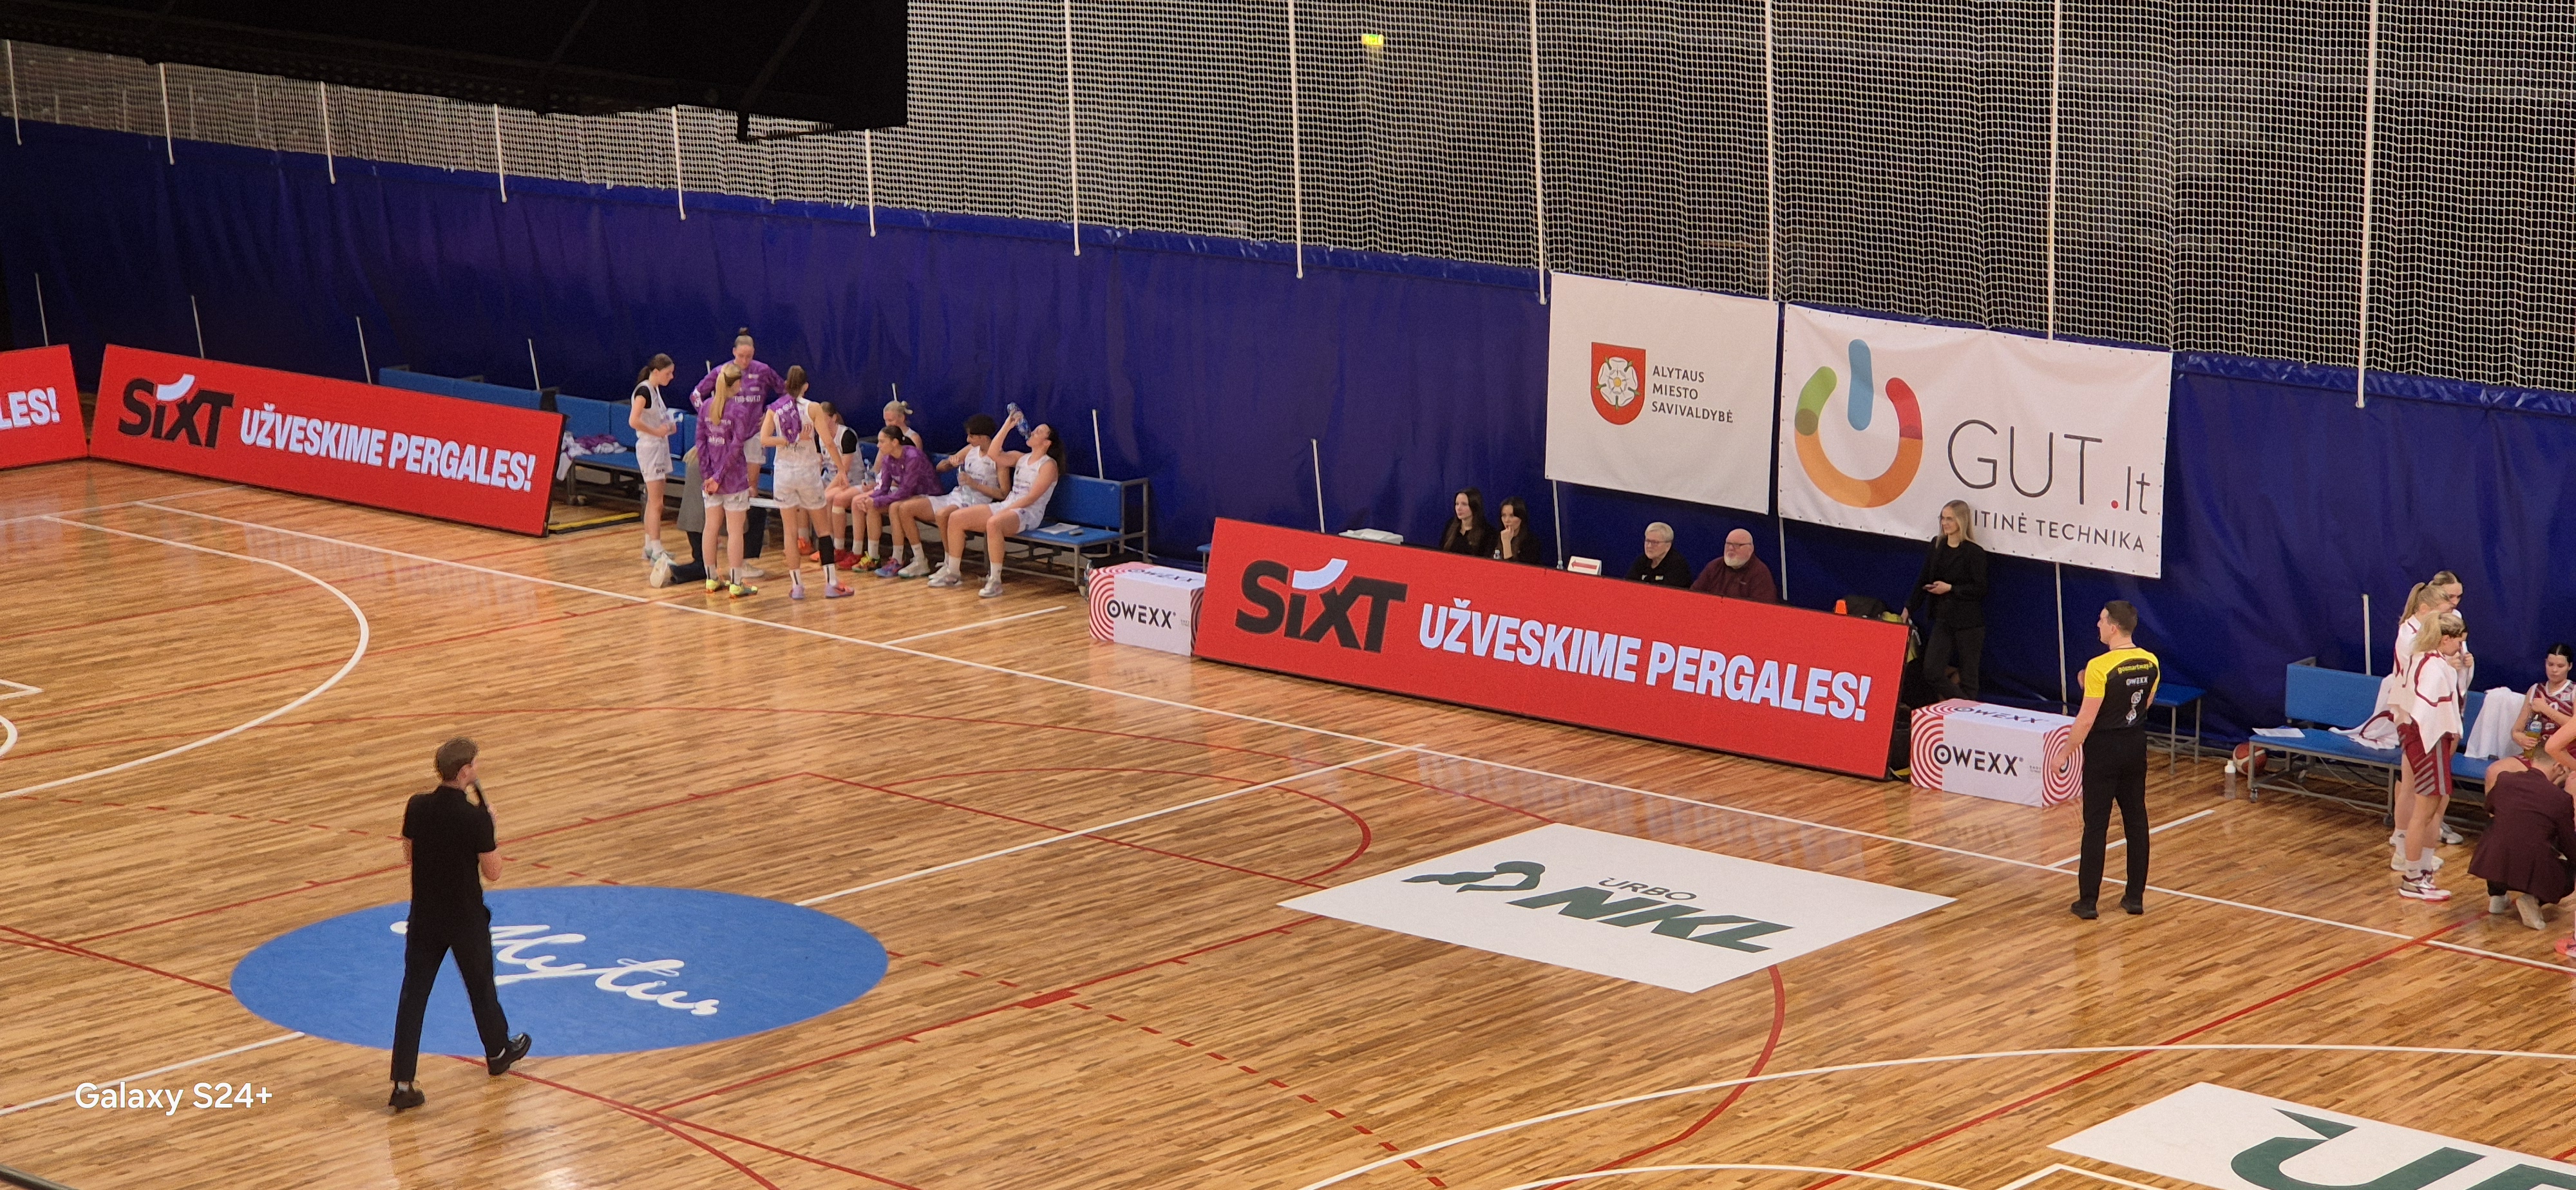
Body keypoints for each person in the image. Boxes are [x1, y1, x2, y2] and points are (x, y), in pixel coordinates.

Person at [388, 738, 532, 1111]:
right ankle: (497, 1052)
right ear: (465, 771)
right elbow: (494, 872)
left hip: (425, 917)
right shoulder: (475, 818)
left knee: (413, 997)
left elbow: (409, 853)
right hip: (465, 919)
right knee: (481, 987)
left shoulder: (417, 806)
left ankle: (402, 1083)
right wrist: (489, 829)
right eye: (475, 764)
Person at [2048, 600, 2161, 919]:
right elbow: (2145, 703)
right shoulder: (2150, 661)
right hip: (2135, 744)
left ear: (2113, 627)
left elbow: (2086, 720)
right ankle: (2134, 898)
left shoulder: (2099, 666)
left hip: (2103, 749)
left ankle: (2088, 902)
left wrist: (2063, 753)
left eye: (2101, 620)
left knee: (2096, 825)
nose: (2097, 625)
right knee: (2136, 820)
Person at [930, 409, 1061, 598]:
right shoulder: (1020, 457)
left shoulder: (1048, 465)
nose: (1033, 432)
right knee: (956, 518)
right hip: (1009, 506)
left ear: (1047, 443)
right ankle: (953, 572)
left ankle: (995, 580)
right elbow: (993, 453)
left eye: (1040, 432)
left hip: (1029, 512)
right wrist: (1008, 424)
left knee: (994, 523)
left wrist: (1006, 508)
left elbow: (1032, 498)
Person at [2391, 611, 2470, 901]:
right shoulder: (2435, 668)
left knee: (2433, 808)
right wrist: (2444, 741)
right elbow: (2426, 713)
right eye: (2459, 643)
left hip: (2423, 738)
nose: (2460, 649)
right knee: (2424, 811)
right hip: (2429, 740)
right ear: (2445, 639)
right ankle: (2413, 879)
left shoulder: (2423, 658)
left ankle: (2422, 872)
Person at [759, 367, 846, 600]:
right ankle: (831, 583)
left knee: (790, 532)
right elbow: (828, 442)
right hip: (807, 473)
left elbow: (764, 440)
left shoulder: (774, 408)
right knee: (823, 530)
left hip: (784, 474)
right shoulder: (813, 407)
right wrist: (841, 470)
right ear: (806, 386)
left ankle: (797, 586)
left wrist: (790, 439)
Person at [889, 414, 1005, 580]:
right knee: (905, 508)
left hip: (977, 501)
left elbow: (1003, 493)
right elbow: (939, 468)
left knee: (943, 514)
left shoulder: (999, 457)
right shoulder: (970, 450)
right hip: (957, 495)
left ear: (983, 437)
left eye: (971, 436)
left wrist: (974, 484)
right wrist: (951, 462)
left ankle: (949, 563)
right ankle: (920, 560)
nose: (968, 440)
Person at [2467, 754, 2575, 930]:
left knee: (2497, 829)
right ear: (2558, 767)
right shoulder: (2560, 798)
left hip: (2492, 861)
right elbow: (2568, 843)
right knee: (2569, 871)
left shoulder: (2505, 779)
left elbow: (2490, 807)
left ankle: (2497, 896)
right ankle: (2534, 900)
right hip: (2530, 864)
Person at [1909, 500, 1989, 701]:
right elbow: (1923, 578)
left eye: (1950, 519)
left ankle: (1967, 710)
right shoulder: (1937, 546)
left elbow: (1981, 589)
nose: (1945, 523)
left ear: (1961, 521)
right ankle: (1963, 704)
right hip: (1943, 619)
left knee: (1969, 677)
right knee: (1931, 670)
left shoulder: (1974, 553)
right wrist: (1908, 608)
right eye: (1943, 518)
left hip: (1969, 623)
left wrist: (1951, 588)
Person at [692, 364, 760, 598]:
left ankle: (711, 579)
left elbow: (700, 444)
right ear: (736, 384)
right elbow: (736, 448)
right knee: (735, 531)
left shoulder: (706, 407)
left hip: (711, 481)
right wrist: (718, 477)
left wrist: (708, 477)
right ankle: (736, 583)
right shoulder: (739, 411)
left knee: (710, 528)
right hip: (734, 480)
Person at [858, 427, 940, 578]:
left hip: (929, 495)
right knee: (873, 507)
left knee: (895, 507)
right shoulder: (888, 459)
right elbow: (884, 488)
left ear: (895, 442)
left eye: (882, 442)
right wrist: (870, 499)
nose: (878, 446)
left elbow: (905, 492)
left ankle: (899, 559)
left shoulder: (913, 457)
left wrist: (877, 501)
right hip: (911, 495)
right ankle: (873, 556)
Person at [627, 354, 681, 565]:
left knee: (654, 501)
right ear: (656, 372)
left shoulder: (654, 390)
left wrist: (668, 427)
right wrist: (656, 431)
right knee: (657, 503)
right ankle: (656, 549)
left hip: (659, 447)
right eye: (668, 373)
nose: (672, 377)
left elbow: (657, 419)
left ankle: (649, 546)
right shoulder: (644, 391)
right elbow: (633, 420)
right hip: (650, 449)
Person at [2510, 644, 2575, 760]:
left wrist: (2545, 709)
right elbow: (2517, 730)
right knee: (2496, 768)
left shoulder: (2574, 691)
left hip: (2565, 754)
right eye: (2550, 664)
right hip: (2537, 753)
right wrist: (2520, 738)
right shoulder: (2535, 689)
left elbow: (2574, 729)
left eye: (2560, 666)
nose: (2554, 670)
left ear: (2569, 666)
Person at [1691, 528, 1779, 602]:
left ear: (1751, 549)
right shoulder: (1714, 566)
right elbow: (1693, 595)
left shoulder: (1760, 573)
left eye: (1737, 545)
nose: (1730, 548)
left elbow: (1763, 609)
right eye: (1728, 544)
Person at [1626, 522, 1691, 586]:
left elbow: (1669, 592)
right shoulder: (1642, 561)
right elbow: (1628, 585)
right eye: (1647, 541)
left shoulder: (1677, 566)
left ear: (1668, 546)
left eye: (1655, 543)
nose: (1649, 546)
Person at [1439, 489, 1495, 558]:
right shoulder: (1450, 525)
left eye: (1464, 504)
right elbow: (1441, 552)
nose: (1459, 508)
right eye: (1457, 504)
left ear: (1475, 506)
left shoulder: (1488, 533)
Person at [1494, 496, 1544, 565]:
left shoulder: (1531, 542)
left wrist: (1506, 543)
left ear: (1521, 518)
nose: (1507, 520)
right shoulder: (1494, 537)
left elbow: (1513, 569)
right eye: (1504, 515)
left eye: (1512, 516)